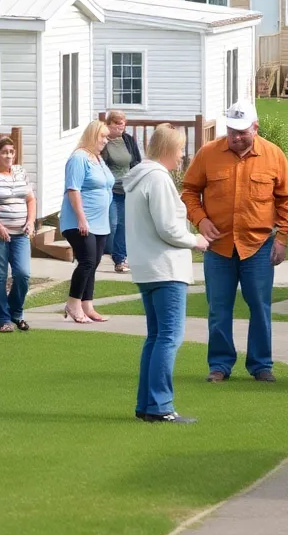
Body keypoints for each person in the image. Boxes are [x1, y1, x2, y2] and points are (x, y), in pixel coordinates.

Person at [182, 99, 288, 383]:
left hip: (258, 245)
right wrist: (201, 220)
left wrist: (282, 237)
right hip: (218, 246)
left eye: (242, 131)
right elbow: (189, 191)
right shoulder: (208, 154)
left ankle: (261, 365)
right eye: (232, 130)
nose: (236, 136)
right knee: (218, 307)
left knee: (259, 305)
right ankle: (219, 365)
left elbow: (286, 200)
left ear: (255, 128)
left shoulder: (274, 155)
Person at [125, 124, 210, 424]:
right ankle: (161, 406)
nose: (182, 156)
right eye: (180, 149)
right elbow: (168, 227)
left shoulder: (139, 178)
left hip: (147, 267)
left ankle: (147, 404)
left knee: (156, 337)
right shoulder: (158, 179)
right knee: (169, 337)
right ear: (168, 149)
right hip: (165, 268)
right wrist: (195, 240)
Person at [0, 136, 36, 333]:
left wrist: (30, 221)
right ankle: (2, 319)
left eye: (11, 152)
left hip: (21, 233)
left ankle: (16, 312)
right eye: (4, 152)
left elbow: (30, 199)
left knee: (23, 274)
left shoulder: (20, 172)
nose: (9, 156)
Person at [61, 119, 115, 324]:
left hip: (100, 222)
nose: (105, 141)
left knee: (95, 262)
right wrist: (82, 219)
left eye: (106, 137)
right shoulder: (79, 158)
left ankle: (87, 304)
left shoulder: (98, 159)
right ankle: (73, 303)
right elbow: (73, 189)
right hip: (80, 221)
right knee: (87, 261)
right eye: (102, 136)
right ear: (92, 135)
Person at [102, 110, 142, 274]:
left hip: (127, 189)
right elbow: (101, 165)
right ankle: (104, 251)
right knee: (112, 223)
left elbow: (136, 161)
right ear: (109, 124)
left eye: (123, 123)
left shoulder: (127, 139)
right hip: (110, 190)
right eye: (118, 123)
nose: (121, 126)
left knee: (123, 225)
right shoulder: (104, 142)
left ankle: (120, 259)